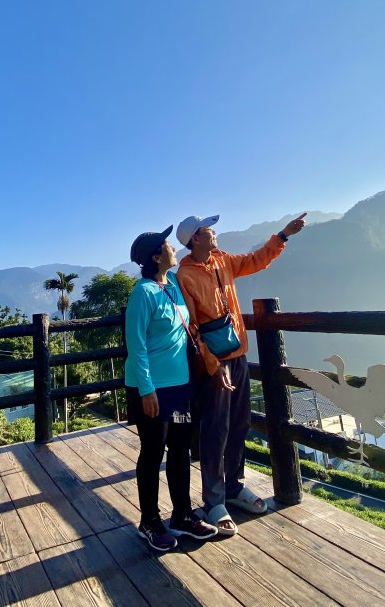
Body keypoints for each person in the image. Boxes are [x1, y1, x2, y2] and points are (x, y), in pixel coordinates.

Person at [176, 212, 308, 535]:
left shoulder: (223, 260)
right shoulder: (185, 275)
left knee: (240, 422)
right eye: (208, 230)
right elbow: (190, 327)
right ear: (195, 238)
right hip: (214, 364)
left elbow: (256, 260)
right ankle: (213, 499)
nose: (214, 232)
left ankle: (234, 487)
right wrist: (210, 363)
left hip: (238, 354)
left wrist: (283, 236)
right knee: (215, 429)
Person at [124, 226, 217, 552]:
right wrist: (147, 391)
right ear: (155, 256)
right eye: (168, 246)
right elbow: (136, 346)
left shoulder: (174, 284)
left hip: (180, 386)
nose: (174, 249)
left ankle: (182, 515)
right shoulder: (143, 293)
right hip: (152, 389)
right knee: (152, 452)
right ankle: (149, 520)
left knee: (179, 449)